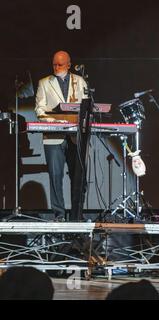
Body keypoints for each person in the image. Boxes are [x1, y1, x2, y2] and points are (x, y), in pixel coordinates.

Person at [35, 51, 88, 221]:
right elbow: (39, 109)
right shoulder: (44, 83)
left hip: (75, 136)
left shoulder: (79, 81)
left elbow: (86, 106)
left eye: (60, 64)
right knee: (55, 176)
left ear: (68, 65)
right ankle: (59, 215)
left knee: (78, 176)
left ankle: (76, 215)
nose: (56, 68)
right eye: (54, 65)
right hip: (53, 135)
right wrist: (55, 120)